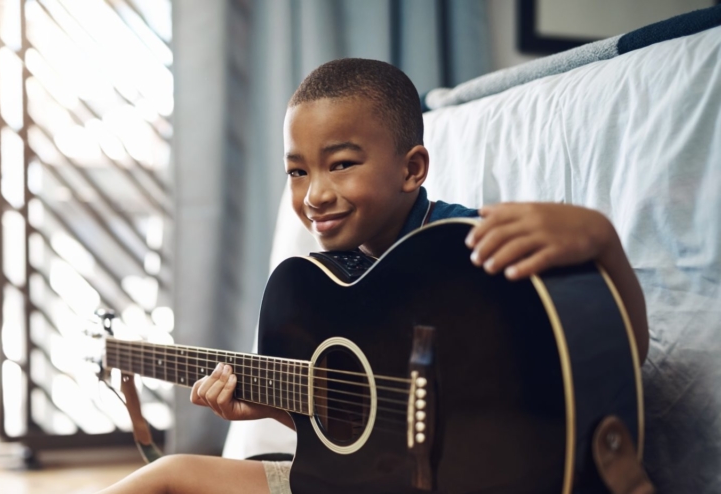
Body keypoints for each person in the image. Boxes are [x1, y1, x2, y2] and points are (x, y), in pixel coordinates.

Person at [92, 58, 650, 494]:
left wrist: (600, 240)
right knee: (162, 478)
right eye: (297, 170)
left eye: (340, 164)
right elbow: (373, 437)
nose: (314, 194)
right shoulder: (329, 285)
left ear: (412, 168)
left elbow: (617, 355)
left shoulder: (465, 250)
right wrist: (269, 406)